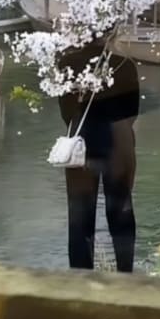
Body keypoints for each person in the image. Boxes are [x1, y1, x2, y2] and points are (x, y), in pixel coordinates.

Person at [57, 38, 140, 272]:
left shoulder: (66, 62)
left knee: (80, 216)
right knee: (121, 211)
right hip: (118, 138)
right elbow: (132, 111)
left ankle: (81, 280)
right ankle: (125, 275)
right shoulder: (124, 63)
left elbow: (66, 109)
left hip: (80, 140)